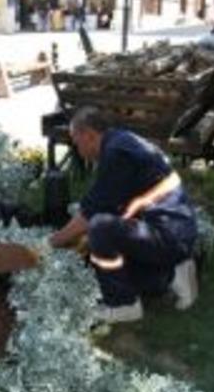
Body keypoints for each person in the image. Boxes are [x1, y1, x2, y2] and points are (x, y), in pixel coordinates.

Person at [46, 106, 199, 323]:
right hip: (175, 230)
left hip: (167, 233)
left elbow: (92, 213)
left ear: (89, 135)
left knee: (99, 227)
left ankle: (124, 305)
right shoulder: (121, 141)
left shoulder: (116, 154)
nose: (76, 149)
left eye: (76, 141)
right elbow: (105, 201)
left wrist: (50, 243)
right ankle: (173, 273)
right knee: (127, 275)